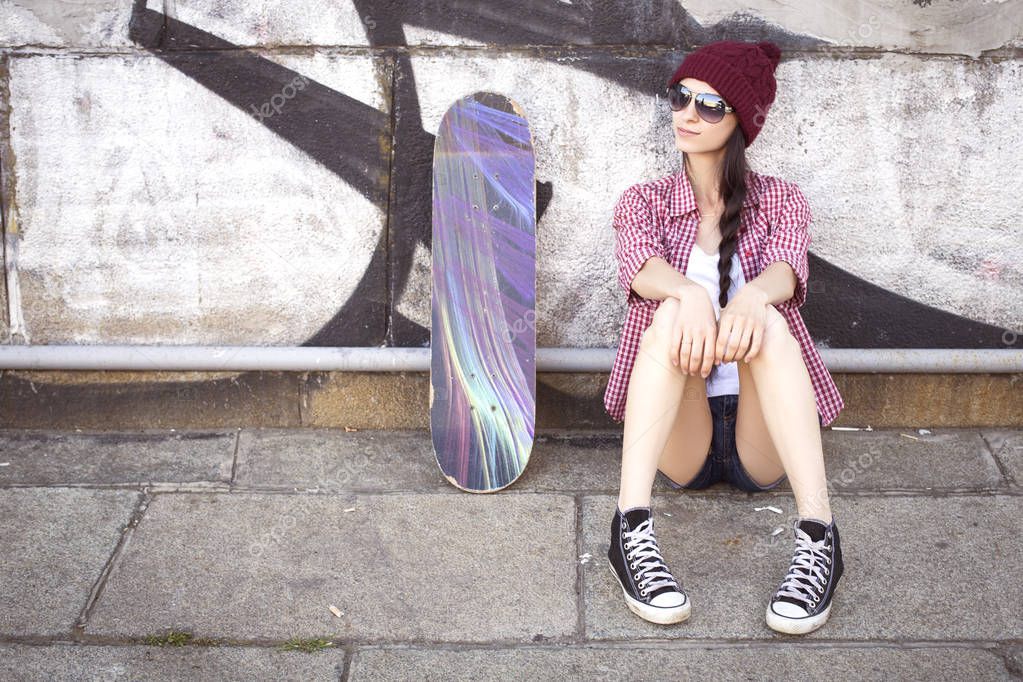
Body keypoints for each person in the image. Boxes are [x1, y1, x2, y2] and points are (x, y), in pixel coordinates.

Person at [604, 40, 845, 635]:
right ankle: (630, 529)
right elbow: (638, 267)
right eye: (682, 97)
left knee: (768, 319)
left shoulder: (780, 200)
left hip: (761, 437)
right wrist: (687, 293)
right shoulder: (645, 201)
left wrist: (752, 295)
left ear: (741, 122)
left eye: (711, 106)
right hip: (682, 432)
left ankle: (819, 538)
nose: (688, 114)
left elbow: (787, 273)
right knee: (665, 314)